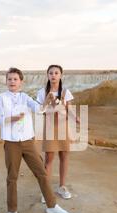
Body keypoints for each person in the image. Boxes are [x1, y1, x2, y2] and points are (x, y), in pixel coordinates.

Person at [0, 67, 71, 213]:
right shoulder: (1, 98)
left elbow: (39, 109)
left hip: (28, 142)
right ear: (6, 81)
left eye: (15, 79)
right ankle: (12, 211)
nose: (12, 82)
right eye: (9, 79)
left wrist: (47, 101)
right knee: (12, 177)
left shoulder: (26, 97)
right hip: (11, 143)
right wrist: (15, 118)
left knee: (41, 173)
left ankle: (52, 206)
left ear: (21, 82)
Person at [36, 65, 77, 203]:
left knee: (64, 156)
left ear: (60, 75)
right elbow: (40, 110)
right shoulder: (42, 92)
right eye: (51, 73)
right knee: (49, 159)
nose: (53, 75)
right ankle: (46, 191)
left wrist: (75, 118)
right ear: (47, 75)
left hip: (63, 127)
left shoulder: (66, 92)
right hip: (49, 127)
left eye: (56, 73)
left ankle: (62, 187)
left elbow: (69, 109)